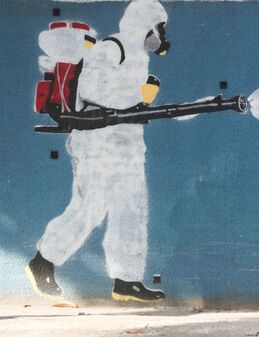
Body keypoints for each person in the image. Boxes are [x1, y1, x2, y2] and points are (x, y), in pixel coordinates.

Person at [26, 0, 169, 302]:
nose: (161, 35)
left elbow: (130, 99)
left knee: (131, 210)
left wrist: (139, 104)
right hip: (96, 143)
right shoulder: (110, 49)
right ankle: (43, 262)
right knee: (89, 207)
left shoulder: (139, 58)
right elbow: (91, 90)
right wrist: (131, 102)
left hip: (127, 144)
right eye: (158, 27)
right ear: (144, 24)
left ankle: (127, 280)